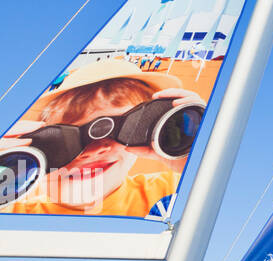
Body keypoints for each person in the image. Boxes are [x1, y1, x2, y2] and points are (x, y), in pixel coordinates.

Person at [0, 59, 201, 217]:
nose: (95, 149)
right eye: (62, 140)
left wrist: (202, 162)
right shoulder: (11, 208)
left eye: (128, 129)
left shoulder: (170, 191)